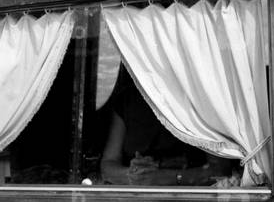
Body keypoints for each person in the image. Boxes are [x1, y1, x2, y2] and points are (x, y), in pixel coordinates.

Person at [99, 70, 237, 187]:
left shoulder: (199, 100)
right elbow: (108, 164)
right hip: (134, 201)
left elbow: (219, 171)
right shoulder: (128, 99)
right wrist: (134, 174)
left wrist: (170, 177)